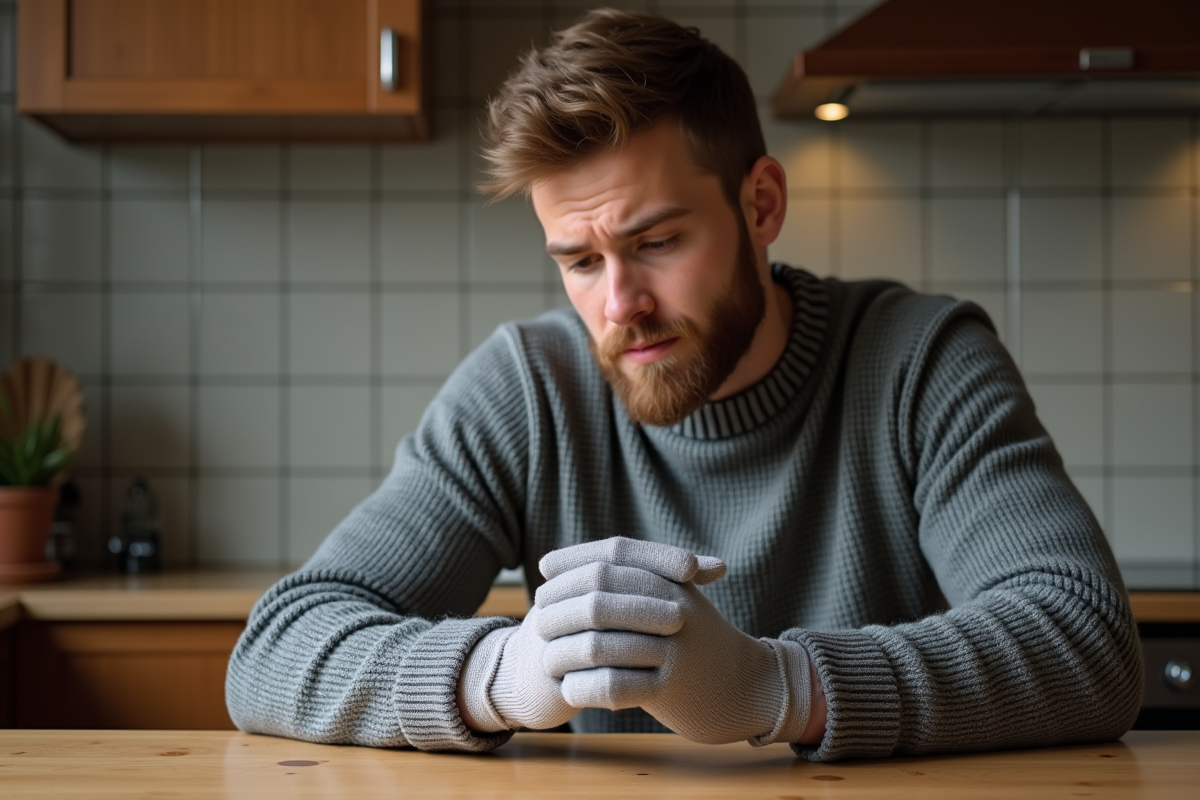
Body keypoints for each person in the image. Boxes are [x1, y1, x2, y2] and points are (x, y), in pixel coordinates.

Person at [225, 9, 1143, 761]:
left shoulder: (921, 361)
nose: (620, 303)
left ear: (762, 205)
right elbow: (275, 649)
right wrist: (497, 675)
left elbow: (1085, 640)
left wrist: (776, 689)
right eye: (579, 260)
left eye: (657, 242)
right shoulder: (527, 388)